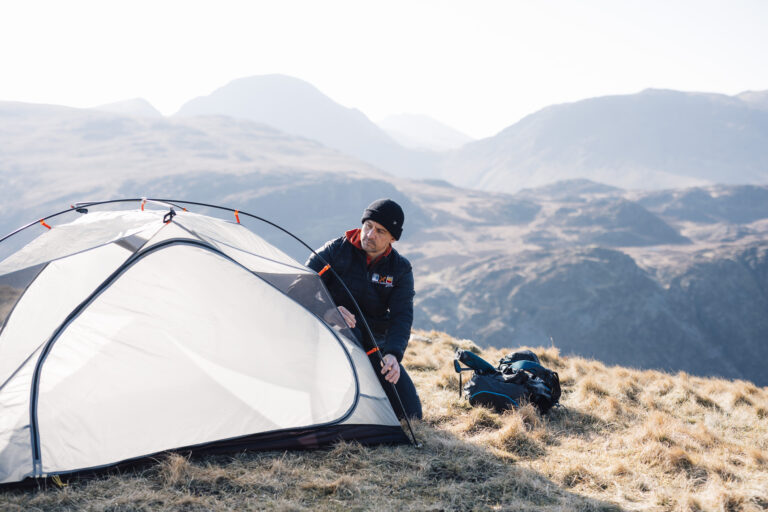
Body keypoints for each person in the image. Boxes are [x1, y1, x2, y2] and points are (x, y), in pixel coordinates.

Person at [306, 198, 422, 420]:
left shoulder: (400, 269)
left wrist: (392, 355)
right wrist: (328, 311)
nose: (370, 235)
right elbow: (298, 286)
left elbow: (402, 317)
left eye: (380, 231)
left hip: (372, 342)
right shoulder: (334, 251)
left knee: (410, 413)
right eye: (368, 226)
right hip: (332, 335)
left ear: (393, 238)